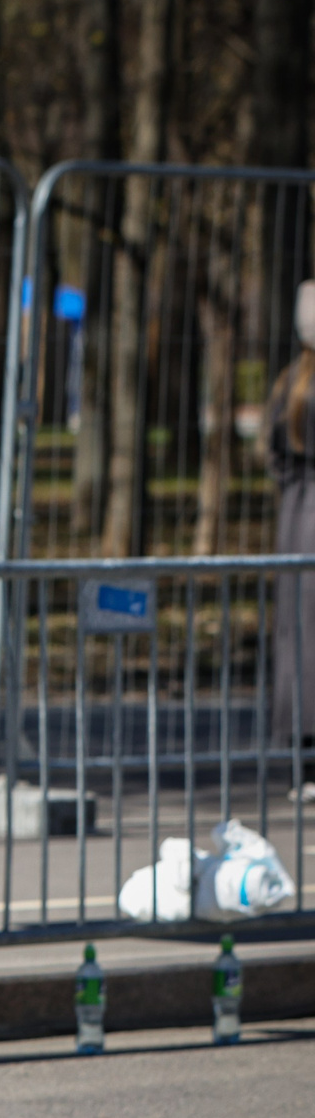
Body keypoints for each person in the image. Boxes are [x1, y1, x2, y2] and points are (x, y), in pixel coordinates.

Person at [269, 280, 315, 775]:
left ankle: (303, 755)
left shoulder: (290, 384)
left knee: (297, 634)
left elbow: (274, 455)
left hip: (297, 515)